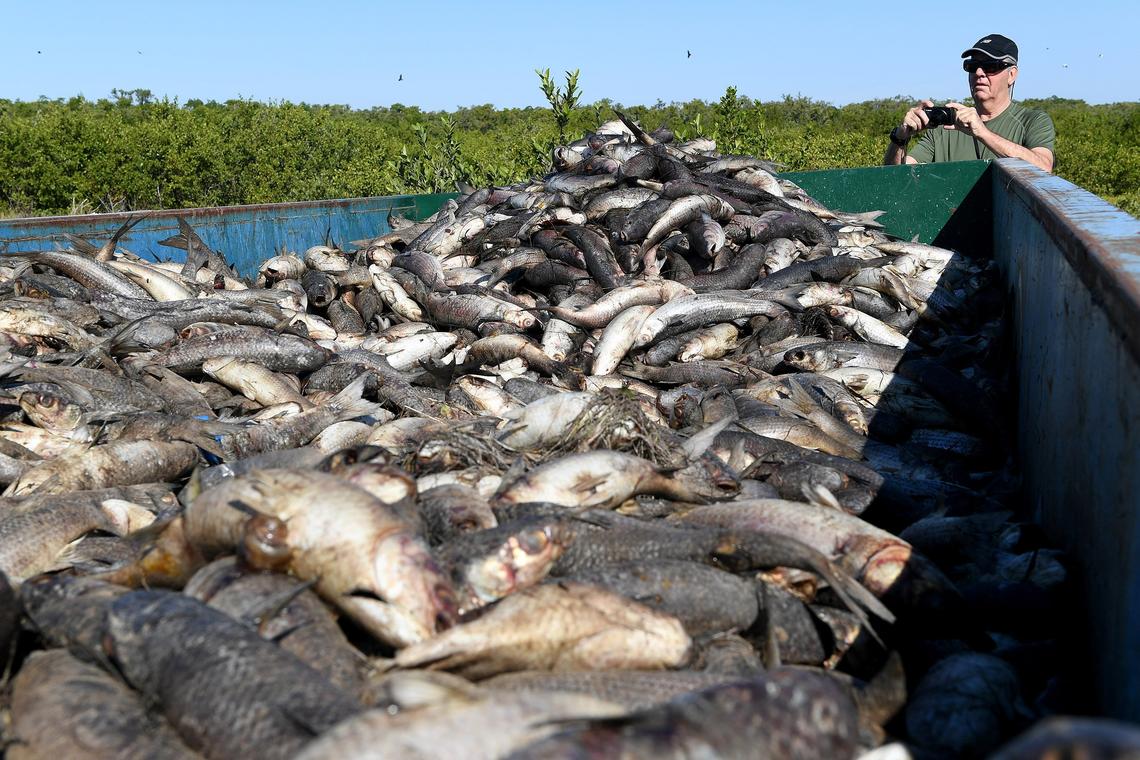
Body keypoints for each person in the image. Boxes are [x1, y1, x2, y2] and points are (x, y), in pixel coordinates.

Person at [884, 34, 1055, 172]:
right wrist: (900, 137)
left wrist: (982, 133)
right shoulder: (944, 127)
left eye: (990, 66)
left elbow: (1043, 167)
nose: (979, 73)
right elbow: (897, 176)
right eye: (972, 66)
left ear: (1012, 75)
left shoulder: (1033, 121)